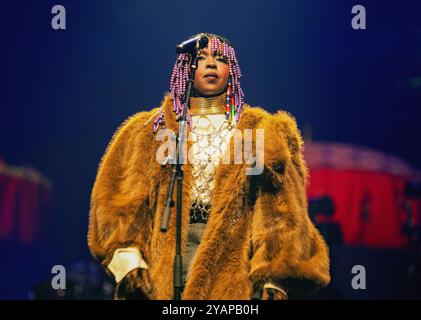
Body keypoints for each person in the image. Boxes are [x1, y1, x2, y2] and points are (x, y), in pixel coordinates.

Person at [87, 33, 330, 300]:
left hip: (233, 264)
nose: (211, 64)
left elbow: (280, 211)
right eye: (201, 58)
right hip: (162, 268)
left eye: (221, 59)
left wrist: (276, 278)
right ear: (185, 70)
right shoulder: (149, 130)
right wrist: (128, 259)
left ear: (233, 71)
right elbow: (119, 201)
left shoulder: (259, 131)